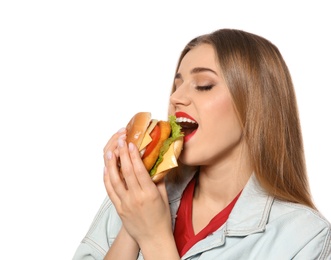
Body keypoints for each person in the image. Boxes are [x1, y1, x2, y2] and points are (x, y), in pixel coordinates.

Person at [73, 28, 331, 259]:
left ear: (254, 106)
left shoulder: (305, 238)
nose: (176, 97)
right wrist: (132, 227)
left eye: (204, 86)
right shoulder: (136, 195)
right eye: (178, 85)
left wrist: (154, 239)